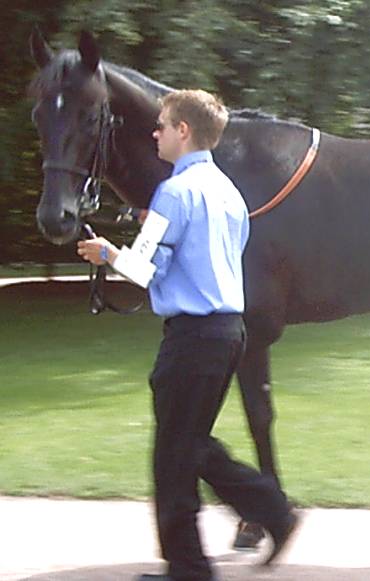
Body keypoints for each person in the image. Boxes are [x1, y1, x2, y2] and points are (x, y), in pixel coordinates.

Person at [77, 89, 297, 581]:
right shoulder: (229, 193)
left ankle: (195, 564)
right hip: (228, 332)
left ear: (184, 131)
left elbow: (144, 269)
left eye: (162, 125)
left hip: (193, 337)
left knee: (174, 455)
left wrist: (106, 254)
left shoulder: (173, 193)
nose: (154, 133)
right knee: (188, 444)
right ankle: (269, 510)